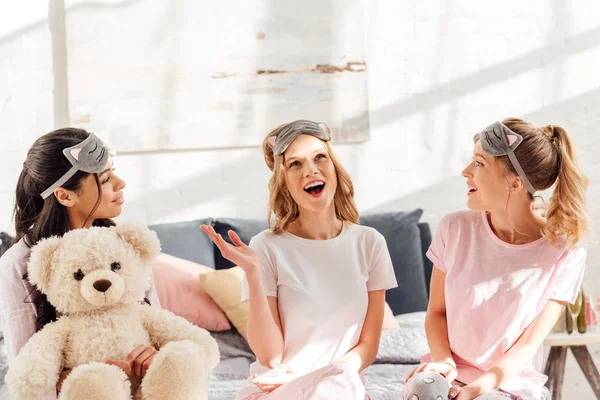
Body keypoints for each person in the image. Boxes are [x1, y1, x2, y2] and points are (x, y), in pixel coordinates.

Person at [202, 119, 398, 399]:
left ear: (334, 168)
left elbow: (368, 345)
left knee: (338, 385)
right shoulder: (266, 247)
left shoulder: (369, 243)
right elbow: (270, 357)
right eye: (295, 164)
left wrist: (332, 373)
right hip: (277, 390)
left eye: (320, 157)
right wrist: (253, 274)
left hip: (341, 386)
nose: (311, 170)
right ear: (284, 186)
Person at [403, 119, 589, 400]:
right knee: (422, 388)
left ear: (514, 182)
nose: (466, 172)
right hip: (449, 372)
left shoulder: (565, 254)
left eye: (479, 163)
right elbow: (436, 313)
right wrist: (443, 363)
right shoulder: (454, 229)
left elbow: (527, 345)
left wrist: (477, 389)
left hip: (508, 383)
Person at [0, 128, 161, 398]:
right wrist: (84, 377)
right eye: (106, 178)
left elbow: (155, 324)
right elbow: (27, 374)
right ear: (65, 196)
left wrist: (151, 357)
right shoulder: (18, 265)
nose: (120, 184)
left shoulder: (122, 246)